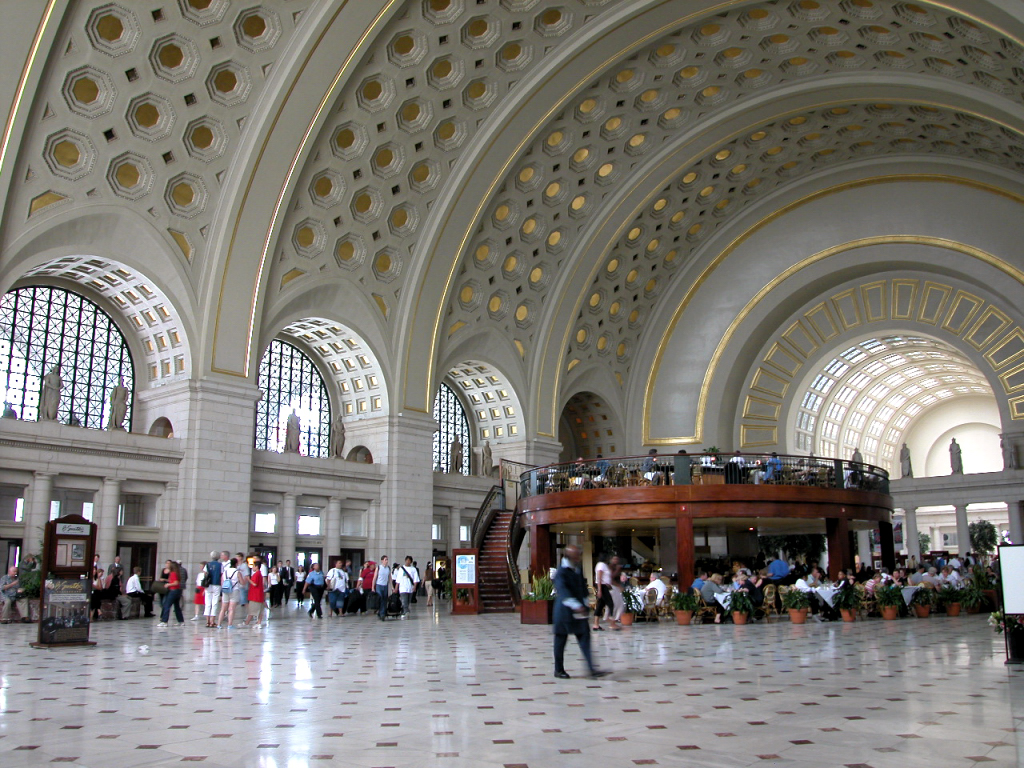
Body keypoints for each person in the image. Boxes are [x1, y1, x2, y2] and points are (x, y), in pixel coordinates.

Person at [553, 544, 605, 679]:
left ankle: (592, 669)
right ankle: (558, 670)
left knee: (585, 638)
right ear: (569, 556)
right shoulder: (561, 572)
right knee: (560, 640)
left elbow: (582, 587)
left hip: (579, 612)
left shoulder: (577, 568)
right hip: (564, 611)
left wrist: (585, 603)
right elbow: (563, 591)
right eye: (576, 556)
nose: (578, 558)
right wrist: (576, 605)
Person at [592, 555, 615, 631]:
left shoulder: (604, 565)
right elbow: (599, 577)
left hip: (605, 586)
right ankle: (612, 623)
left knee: (600, 605)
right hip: (602, 586)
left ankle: (596, 624)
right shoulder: (601, 565)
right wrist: (599, 589)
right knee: (610, 604)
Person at [157, 560, 183, 626]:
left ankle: (164, 621)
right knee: (177, 606)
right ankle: (180, 621)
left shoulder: (173, 573)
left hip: (173, 591)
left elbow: (176, 582)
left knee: (166, 605)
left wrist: (168, 585)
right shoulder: (177, 573)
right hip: (178, 591)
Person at [217, 556, 240, 628]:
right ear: (236, 564)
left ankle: (219, 624)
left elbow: (222, 582)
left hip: (225, 590)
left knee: (223, 609)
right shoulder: (237, 572)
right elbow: (242, 582)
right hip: (234, 590)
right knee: (231, 609)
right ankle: (229, 625)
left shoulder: (225, 572)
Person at [245, 557, 266, 628]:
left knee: (252, 610)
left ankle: (247, 623)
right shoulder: (259, 574)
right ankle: (258, 623)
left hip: (255, 595)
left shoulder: (256, 574)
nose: (252, 567)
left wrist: (248, 579)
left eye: (253, 566)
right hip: (259, 595)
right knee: (259, 610)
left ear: (256, 567)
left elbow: (254, 584)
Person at [374, 556, 392, 620]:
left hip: (385, 585)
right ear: (382, 560)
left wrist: (392, 587)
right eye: (385, 559)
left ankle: (382, 612)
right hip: (379, 585)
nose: (386, 561)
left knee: (384, 599)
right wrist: (373, 587)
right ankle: (382, 613)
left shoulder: (388, 568)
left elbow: (390, 578)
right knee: (380, 599)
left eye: (387, 559)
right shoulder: (378, 568)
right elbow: (375, 578)